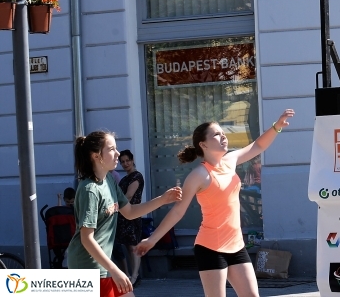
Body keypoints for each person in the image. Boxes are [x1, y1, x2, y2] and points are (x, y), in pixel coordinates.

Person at [134, 110, 294, 297]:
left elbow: (258, 145)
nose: (223, 136)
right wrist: (152, 240)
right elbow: (178, 211)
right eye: (217, 134)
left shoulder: (230, 161)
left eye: (223, 133)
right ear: (203, 144)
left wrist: (276, 127)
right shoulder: (198, 175)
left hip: (236, 245)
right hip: (210, 248)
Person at [67, 131, 181, 297]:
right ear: (96, 156)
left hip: (103, 266)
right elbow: (87, 238)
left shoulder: (109, 180)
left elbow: (130, 212)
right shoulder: (89, 190)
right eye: (111, 149)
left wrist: (163, 199)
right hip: (87, 268)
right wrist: (115, 270)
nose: (118, 154)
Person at [115, 150, 145, 287]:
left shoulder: (136, 176)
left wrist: (115, 207)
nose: (125, 163)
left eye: (127, 160)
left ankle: (135, 276)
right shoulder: (124, 179)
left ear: (132, 160)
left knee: (134, 246)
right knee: (128, 246)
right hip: (124, 216)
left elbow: (128, 196)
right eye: (123, 162)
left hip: (133, 214)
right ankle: (133, 275)